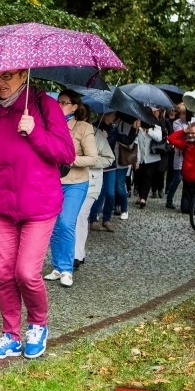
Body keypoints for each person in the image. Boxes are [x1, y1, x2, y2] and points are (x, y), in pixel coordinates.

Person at [0, 70, 74, 360]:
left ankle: (38, 324)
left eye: (8, 77)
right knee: (4, 275)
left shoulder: (43, 105)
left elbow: (66, 153)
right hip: (2, 208)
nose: (0, 83)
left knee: (26, 273)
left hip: (39, 206)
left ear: (23, 77)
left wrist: (35, 131)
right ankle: (10, 335)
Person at [44, 90, 97, 288]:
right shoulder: (50, 125)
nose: (59, 106)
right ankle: (58, 266)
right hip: (53, 182)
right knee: (55, 225)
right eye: (58, 102)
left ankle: (67, 269)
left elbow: (93, 158)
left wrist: (69, 159)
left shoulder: (83, 127)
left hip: (76, 183)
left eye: (64, 103)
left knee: (66, 222)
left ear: (74, 107)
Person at [74, 107, 114, 269]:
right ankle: (76, 253)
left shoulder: (96, 135)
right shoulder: (68, 132)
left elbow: (110, 158)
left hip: (91, 183)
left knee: (81, 216)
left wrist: (91, 161)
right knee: (70, 218)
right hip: (72, 181)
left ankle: (76, 255)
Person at [133, 108, 163, 208]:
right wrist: (136, 160)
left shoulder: (156, 125)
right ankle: (141, 194)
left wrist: (148, 130)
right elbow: (136, 144)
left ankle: (143, 198)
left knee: (148, 176)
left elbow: (159, 137)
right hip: (141, 156)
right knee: (139, 176)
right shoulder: (138, 126)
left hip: (152, 156)